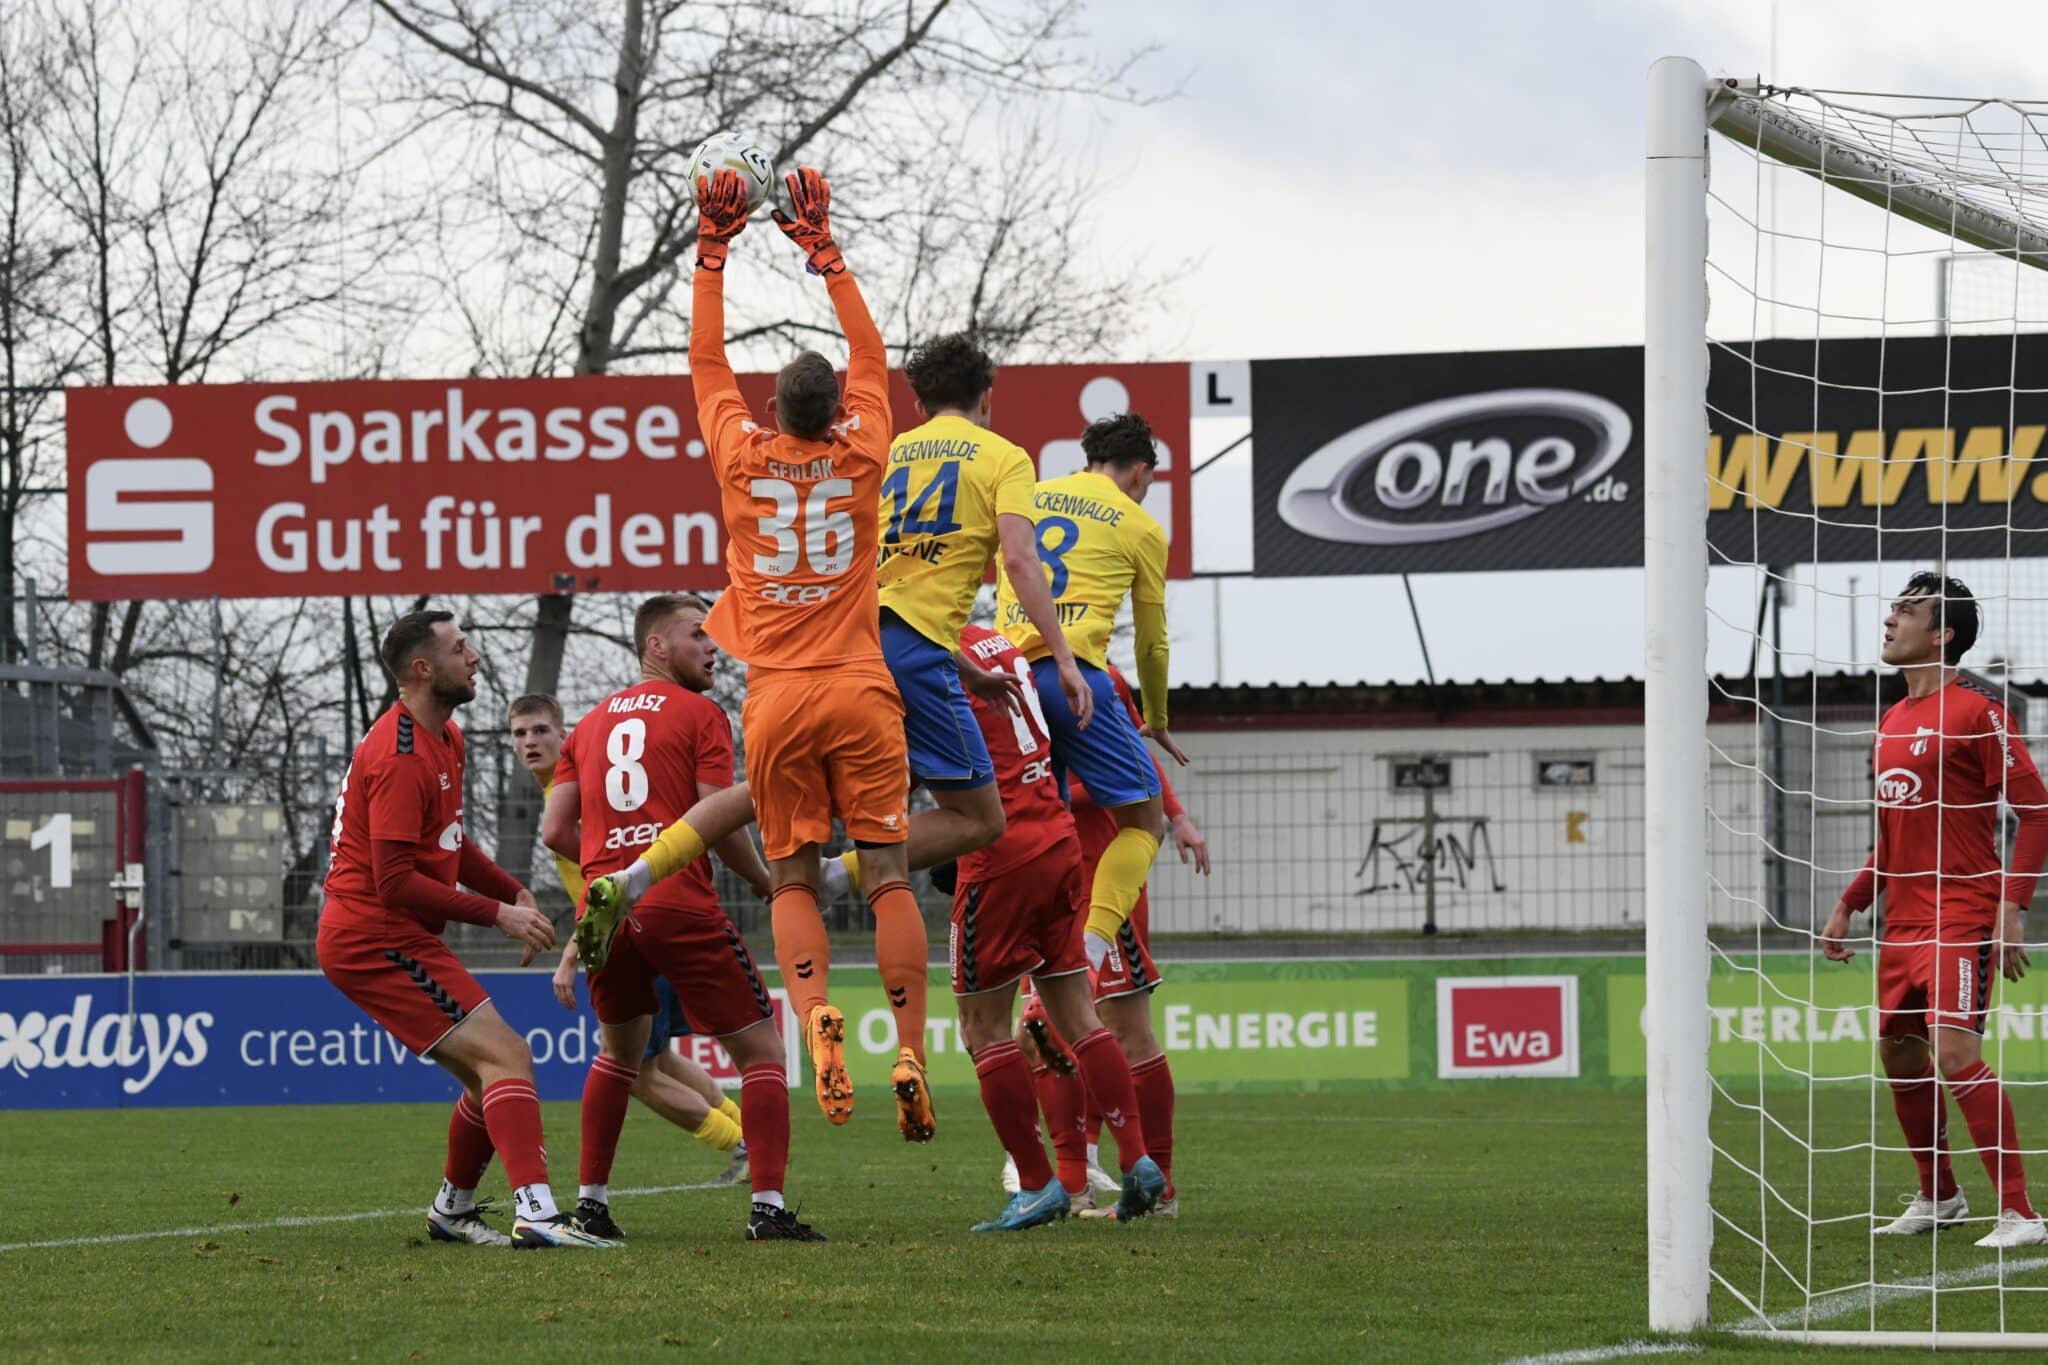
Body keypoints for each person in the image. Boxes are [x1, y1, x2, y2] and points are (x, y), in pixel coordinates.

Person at [584, 167, 936, 1140]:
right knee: (891, 874)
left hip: (776, 698)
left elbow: (704, 363)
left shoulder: (742, 457)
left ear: (775, 411)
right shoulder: (864, 450)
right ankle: (906, 1049)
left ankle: (817, 1016)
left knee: (789, 880)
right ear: (837, 412)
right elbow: (871, 350)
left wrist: (713, 245)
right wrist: (817, 244)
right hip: (862, 688)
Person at [316, 610, 611, 1250]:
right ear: (424, 669)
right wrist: (497, 914)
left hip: (392, 931)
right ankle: (536, 1211)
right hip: (373, 937)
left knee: (490, 1071)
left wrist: (507, 888)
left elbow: (448, 840)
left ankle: (454, 1210)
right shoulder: (397, 756)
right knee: (507, 1056)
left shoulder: (444, 736)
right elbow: (394, 882)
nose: (473, 656)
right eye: (459, 647)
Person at [541, 594, 813, 1242]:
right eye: (698, 634)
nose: (712, 644)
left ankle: (591, 1206)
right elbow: (715, 820)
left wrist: (609, 856)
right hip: (672, 896)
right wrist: (767, 881)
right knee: (762, 1051)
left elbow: (553, 828)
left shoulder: (586, 727)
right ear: (656, 646)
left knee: (618, 1057)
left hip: (604, 905)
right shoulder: (699, 712)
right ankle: (768, 1208)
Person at [1820, 571, 2048, 1249]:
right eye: (1892, 607)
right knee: (1900, 1053)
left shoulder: (1978, 712)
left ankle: (2021, 1213)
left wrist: (2013, 907)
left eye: (1907, 610)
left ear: (1942, 633)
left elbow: (2036, 813)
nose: (1890, 619)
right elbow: (1892, 836)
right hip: (1903, 920)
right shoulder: (1891, 720)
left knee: (1954, 1051)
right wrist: (1849, 904)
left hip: (1962, 911)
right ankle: (1939, 1195)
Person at [827, 331, 1091, 892]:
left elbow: (882, 570)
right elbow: (1020, 562)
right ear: (987, 397)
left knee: (796, 787)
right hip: (913, 655)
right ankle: (830, 877)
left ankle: (652, 865)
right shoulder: (1004, 457)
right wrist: (1065, 658)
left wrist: (967, 670)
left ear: (919, 406)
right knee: (980, 819)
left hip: (848, 641)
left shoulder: (891, 449)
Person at [941, 624, 1163, 1230]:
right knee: (1078, 1017)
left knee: (982, 1027)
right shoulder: (999, 645)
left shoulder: (912, 651)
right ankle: (1139, 1159)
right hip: (1059, 840)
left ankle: (1036, 1184)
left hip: (999, 854)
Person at [508, 693, 749, 1189]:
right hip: (646, 926)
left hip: (627, 934)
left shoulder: (573, 797)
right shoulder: (571, 794)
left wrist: (572, 956)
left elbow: (609, 880)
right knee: (655, 1060)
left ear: (565, 735)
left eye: (541, 731)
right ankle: (749, 1132)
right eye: (519, 733)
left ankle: (744, 1144)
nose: (530, 742)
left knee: (634, 1073)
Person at [992, 411, 1188, 985]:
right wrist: (1155, 717)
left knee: (1036, 832)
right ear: (1140, 471)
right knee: (1144, 824)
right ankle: (1090, 951)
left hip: (1004, 679)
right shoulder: (1140, 526)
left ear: (1088, 460)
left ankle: (1030, 974)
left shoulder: (1030, 495)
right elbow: (1152, 643)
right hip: (1073, 680)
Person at [1016, 662, 1207, 1220]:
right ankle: (1073, 1185)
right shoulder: (1007, 671)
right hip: (1045, 883)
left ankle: (1160, 1190)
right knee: (1042, 1035)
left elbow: (1135, 762)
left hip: (1103, 885)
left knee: (1124, 1030)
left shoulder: (1098, 677)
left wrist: (1177, 817)